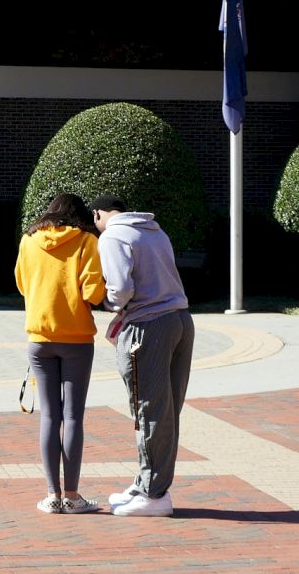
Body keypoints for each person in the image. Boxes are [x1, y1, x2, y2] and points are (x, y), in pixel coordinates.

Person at [90, 194, 194, 518]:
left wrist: (104, 303)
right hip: (180, 319)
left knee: (148, 408)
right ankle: (147, 482)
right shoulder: (155, 231)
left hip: (147, 327)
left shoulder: (113, 236)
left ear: (98, 214)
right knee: (168, 408)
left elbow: (120, 289)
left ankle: (153, 493)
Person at [14, 193, 106, 515]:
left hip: (39, 338)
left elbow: (22, 285)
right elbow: (94, 293)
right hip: (77, 338)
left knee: (49, 417)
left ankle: (52, 495)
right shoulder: (85, 241)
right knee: (73, 417)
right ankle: (73, 495)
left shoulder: (28, 240)